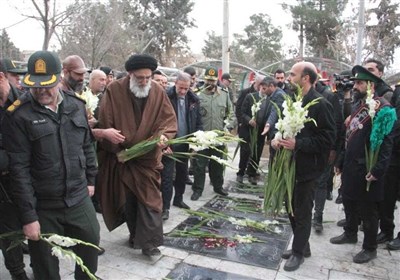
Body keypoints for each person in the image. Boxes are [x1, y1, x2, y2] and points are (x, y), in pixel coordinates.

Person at [3, 50, 100, 279]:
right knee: (45, 267)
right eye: (35, 86)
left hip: (78, 198)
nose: (41, 91)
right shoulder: (18, 116)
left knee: (91, 247)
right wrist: (29, 217)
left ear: (59, 78)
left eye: (47, 85)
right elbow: (19, 170)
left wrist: (91, 179)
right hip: (43, 206)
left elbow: (86, 145)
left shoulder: (76, 106)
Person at [97, 54, 177, 256]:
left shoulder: (158, 91)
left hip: (148, 157)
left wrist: (163, 138)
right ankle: (135, 237)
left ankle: (150, 244)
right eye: (140, 78)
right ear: (130, 74)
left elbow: (168, 120)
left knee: (151, 201)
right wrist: (118, 147)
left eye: (147, 78)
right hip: (124, 155)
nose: (144, 81)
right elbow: (106, 120)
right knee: (131, 200)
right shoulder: (114, 90)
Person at [273, 61, 335, 271]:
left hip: (308, 168)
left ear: (305, 78)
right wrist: (278, 138)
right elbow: (286, 127)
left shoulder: (320, 103)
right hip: (290, 165)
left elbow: (327, 139)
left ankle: (298, 252)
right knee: (291, 208)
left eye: (292, 74)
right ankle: (303, 246)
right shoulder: (293, 99)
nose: (289, 78)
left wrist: (298, 144)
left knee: (302, 211)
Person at [330, 65, 395, 264]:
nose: (355, 86)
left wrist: (377, 170)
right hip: (351, 165)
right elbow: (350, 136)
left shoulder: (383, 109)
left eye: (359, 83)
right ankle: (350, 232)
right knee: (348, 201)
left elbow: (386, 143)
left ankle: (370, 247)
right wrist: (340, 161)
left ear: (371, 85)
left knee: (368, 210)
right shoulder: (361, 104)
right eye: (356, 82)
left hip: (368, 168)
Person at [363, 59, 400, 245]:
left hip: (392, 151)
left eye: (371, 70)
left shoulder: (387, 93)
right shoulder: (374, 92)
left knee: (388, 195)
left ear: (380, 73)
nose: (367, 73)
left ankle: (390, 232)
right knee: (385, 195)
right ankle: (384, 229)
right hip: (386, 152)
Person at [0, 60, 29, 280]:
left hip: (21, 176)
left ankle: (22, 246)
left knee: (22, 220)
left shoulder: (21, 101)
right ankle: (17, 271)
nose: (18, 81)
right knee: (7, 228)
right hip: (4, 180)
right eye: (15, 76)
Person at [161, 72, 202, 220]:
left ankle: (178, 199)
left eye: (186, 88)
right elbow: (159, 121)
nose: (183, 92)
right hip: (170, 143)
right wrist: (164, 143)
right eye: (181, 88)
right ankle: (165, 207)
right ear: (175, 84)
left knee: (182, 174)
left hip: (185, 143)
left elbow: (198, 122)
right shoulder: (166, 96)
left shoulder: (193, 100)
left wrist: (196, 141)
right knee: (167, 176)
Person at [190, 66, 233, 201]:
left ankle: (218, 187)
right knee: (199, 165)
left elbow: (231, 114)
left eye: (213, 81)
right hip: (202, 138)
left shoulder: (224, 95)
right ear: (204, 79)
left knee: (217, 164)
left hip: (218, 138)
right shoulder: (196, 94)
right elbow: (192, 115)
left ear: (217, 80)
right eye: (208, 80)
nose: (210, 83)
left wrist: (229, 127)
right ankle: (197, 189)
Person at [237, 76, 284, 184]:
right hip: (247, 130)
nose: (263, 91)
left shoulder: (269, 99)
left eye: (265, 88)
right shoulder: (250, 97)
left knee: (257, 152)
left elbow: (272, 112)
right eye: (262, 88)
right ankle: (241, 172)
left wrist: (267, 127)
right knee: (245, 151)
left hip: (260, 130)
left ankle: (252, 173)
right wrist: (249, 120)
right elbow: (241, 112)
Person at [312, 76, 343, 232]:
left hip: (325, 148)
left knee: (321, 182)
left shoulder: (329, 96)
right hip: (308, 148)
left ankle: (318, 217)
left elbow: (336, 125)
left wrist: (333, 149)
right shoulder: (301, 95)